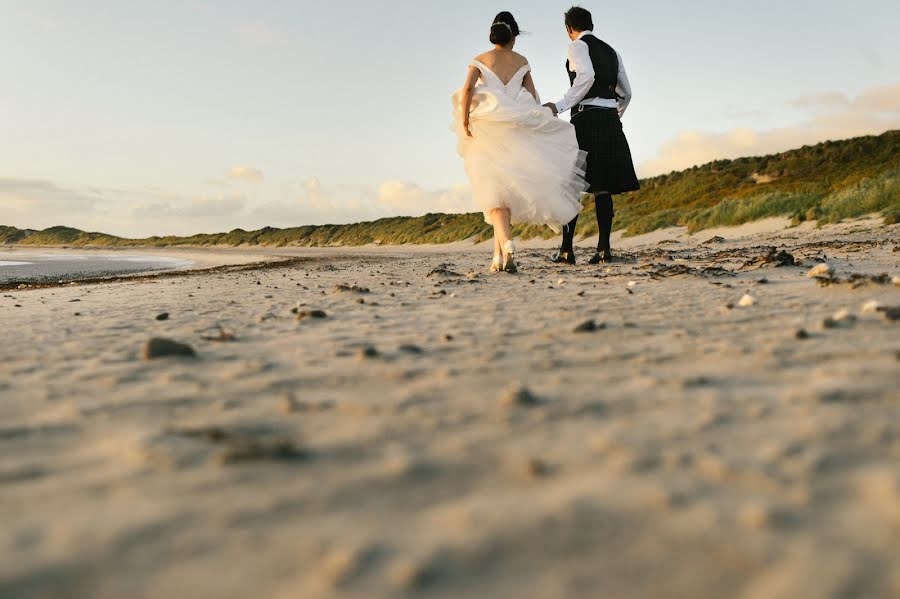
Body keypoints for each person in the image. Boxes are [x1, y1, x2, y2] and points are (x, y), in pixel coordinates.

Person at [453, 11, 587, 273]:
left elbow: (468, 89)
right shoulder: (522, 61)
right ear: (513, 37)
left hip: (489, 133)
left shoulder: (479, 60)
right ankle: (500, 258)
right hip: (517, 133)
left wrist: (466, 120)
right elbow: (534, 98)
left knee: (494, 195)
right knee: (504, 195)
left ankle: (506, 243)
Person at [544, 6, 640, 265]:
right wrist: (613, 112)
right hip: (609, 119)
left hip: (585, 118)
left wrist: (560, 105)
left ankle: (567, 250)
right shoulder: (612, 52)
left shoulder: (576, 46)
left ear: (569, 29)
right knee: (603, 185)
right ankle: (603, 250)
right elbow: (627, 92)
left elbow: (586, 76)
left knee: (572, 183)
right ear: (591, 24)